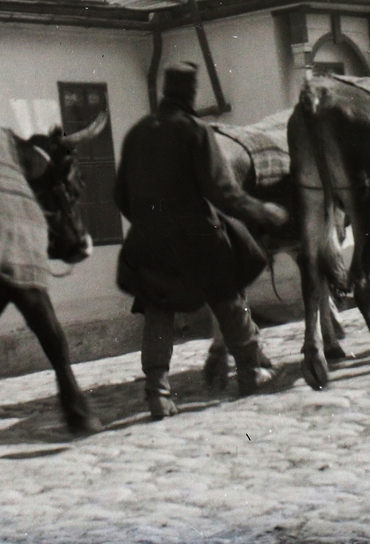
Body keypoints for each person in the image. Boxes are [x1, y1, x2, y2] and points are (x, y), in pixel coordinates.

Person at [113, 62, 289, 419]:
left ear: (165, 90)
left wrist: (151, 222)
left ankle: (157, 393)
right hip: (196, 237)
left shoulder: (138, 133)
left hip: (147, 239)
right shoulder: (195, 131)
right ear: (190, 93)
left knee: (158, 308)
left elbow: (119, 195)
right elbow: (223, 191)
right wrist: (263, 211)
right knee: (229, 293)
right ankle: (250, 370)